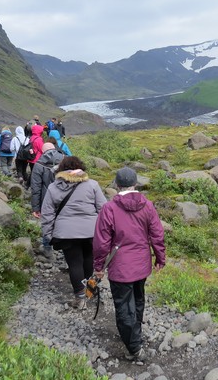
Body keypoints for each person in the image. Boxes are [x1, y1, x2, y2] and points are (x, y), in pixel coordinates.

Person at [93, 167, 166, 361]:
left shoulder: (109, 208)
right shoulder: (148, 206)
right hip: (141, 264)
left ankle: (134, 347)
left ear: (117, 185)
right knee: (138, 298)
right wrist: (160, 258)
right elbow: (157, 234)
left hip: (120, 267)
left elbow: (101, 242)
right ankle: (135, 333)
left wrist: (98, 267)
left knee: (124, 305)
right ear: (135, 184)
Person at [41, 156, 107, 308]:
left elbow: (47, 214)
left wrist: (48, 234)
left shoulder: (53, 187)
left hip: (66, 233)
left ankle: (80, 298)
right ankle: (90, 291)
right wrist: (105, 232)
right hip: (91, 231)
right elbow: (103, 209)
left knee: (74, 264)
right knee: (89, 260)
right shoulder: (92, 185)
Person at [31, 142, 65, 256]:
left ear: (43, 151)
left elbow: (36, 188)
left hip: (47, 199)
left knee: (47, 223)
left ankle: (47, 249)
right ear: (54, 149)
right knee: (65, 222)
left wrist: (36, 207)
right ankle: (67, 252)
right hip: (65, 200)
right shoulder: (66, 161)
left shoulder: (39, 164)